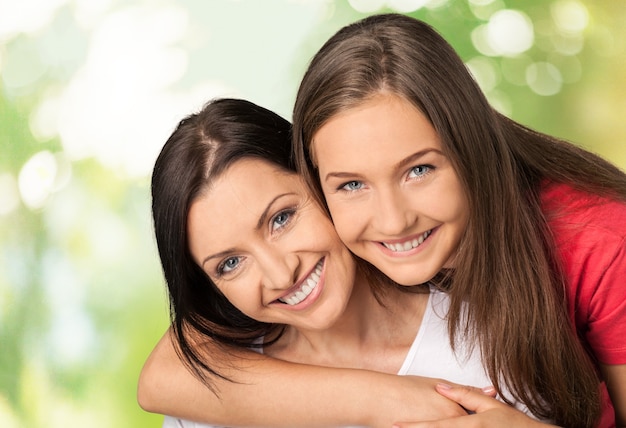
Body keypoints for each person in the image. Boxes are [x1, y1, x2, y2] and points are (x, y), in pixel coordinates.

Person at [140, 13, 626, 428]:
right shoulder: (213, 377)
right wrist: (389, 397)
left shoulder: (571, 261)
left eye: (282, 218)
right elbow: (164, 373)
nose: (392, 221)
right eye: (352, 184)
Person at [145, 97, 531, 428]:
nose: (281, 275)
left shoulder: (491, 340)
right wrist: (384, 399)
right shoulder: (205, 399)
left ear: (323, 180)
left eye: (282, 219)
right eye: (229, 263)